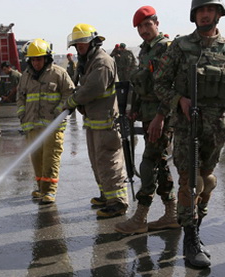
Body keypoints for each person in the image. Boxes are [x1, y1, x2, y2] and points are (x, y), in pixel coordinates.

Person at [154, 0, 225, 268]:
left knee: (207, 181)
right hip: (188, 127)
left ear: (218, 14)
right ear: (194, 15)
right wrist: (179, 100)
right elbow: (160, 83)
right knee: (190, 181)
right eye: (200, 10)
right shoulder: (180, 46)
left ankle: (197, 226)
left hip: (216, 128)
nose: (204, 15)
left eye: (209, 10)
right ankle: (190, 239)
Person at [114, 6, 179, 235]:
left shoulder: (166, 49)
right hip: (149, 114)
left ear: (157, 23)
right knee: (160, 163)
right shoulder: (144, 51)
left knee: (148, 163)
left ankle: (140, 218)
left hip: (163, 115)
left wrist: (160, 117)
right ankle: (171, 214)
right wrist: (135, 110)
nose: (143, 30)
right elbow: (142, 85)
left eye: (147, 24)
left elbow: (171, 86)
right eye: (140, 27)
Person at [63, 23, 128, 218]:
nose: (79, 49)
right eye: (77, 46)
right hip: (94, 122)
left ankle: (117, 202)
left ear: (92, 42)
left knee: (109, 162)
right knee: (97, 161)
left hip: (106, 123)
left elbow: (93, 88)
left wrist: (72, 101)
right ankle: (106, 195)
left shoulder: (102, 62)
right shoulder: (88, 61)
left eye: (82, 45)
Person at [17, 38, 74, 204]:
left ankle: (49, 191)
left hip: (53, 125)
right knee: (36, 158)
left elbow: (69, 93)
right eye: (33, 59)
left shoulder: (58, 73)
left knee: (51, 158)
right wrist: (22, 114)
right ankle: (41, 188)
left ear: (47, 58)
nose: (36, 63)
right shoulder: (25, 76)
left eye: (39, 59)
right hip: (32, 125)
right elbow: (20, 97)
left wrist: (59, 112)